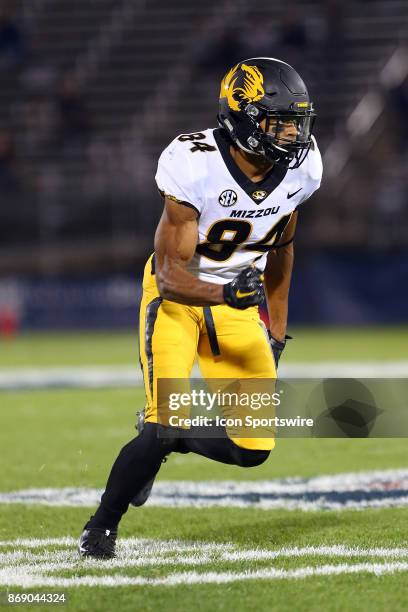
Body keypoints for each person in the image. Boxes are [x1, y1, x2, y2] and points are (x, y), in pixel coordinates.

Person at [78, 57, 323, 558]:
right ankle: (101, 526)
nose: (293, 135)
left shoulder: (305, 168)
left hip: (235, 305)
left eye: (297, 123)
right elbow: (170, 276)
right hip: (178, 301)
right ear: (242, 119)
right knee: (162, 418)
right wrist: (223, 295)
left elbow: (282, 249)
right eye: (279, 123)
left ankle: (168, 441)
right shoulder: (192, 162)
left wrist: (276, 333)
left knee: (252, 449)